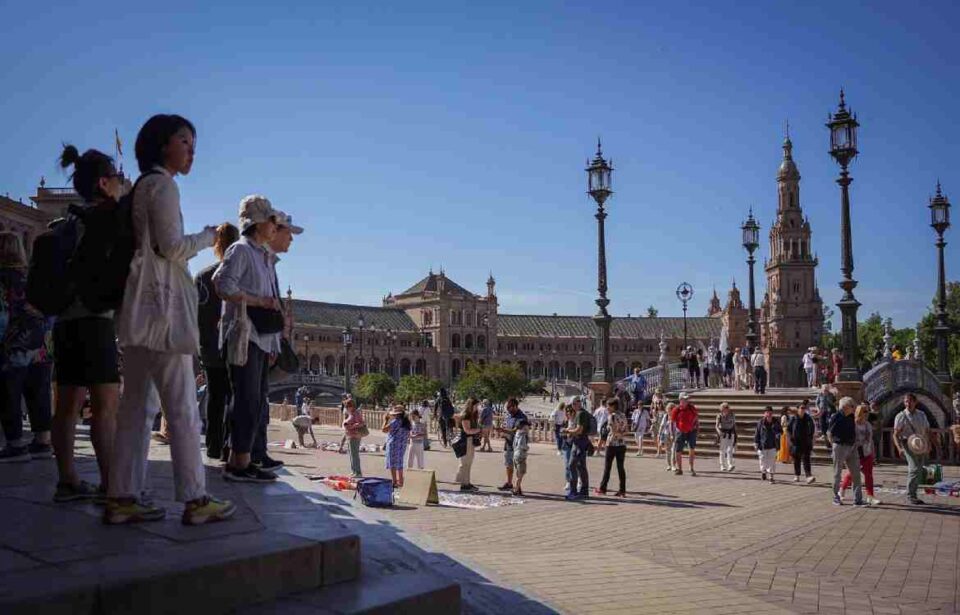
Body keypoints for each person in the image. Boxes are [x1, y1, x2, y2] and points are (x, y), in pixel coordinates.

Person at [108, 114, 235, 525]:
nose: (191, 151)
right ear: (163, 145)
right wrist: (207, 236)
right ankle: (196, 500)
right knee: (181, 407)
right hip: (162, 312)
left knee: (136, 408)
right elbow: (171, 247)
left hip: (139, 312)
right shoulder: (163, 185)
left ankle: (122, 496)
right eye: (185, 142)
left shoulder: (142, 187)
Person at [44, 146, 125, 499]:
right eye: (118, 179)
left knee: (66, 406)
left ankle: (67, 480)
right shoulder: (108, 220)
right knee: (106, 408)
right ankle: (112, 486)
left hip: (63, 324)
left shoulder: (64, 224)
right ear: (104, 182)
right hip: (96, 322)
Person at [213, 195, 282, 481]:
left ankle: (243, 459)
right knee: (245, 400)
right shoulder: (241, 250)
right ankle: (238, 464)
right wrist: (256, 301)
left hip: (260, 337)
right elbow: (221, 283)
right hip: (243, 336)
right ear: (257, 223)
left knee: (254, 402)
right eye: (272, 220)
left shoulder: (262, 254)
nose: (275, 226)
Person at [0, 232, 53, 464]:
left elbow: (2, 316)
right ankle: (43, 441)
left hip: (13, 344)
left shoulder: (2, 278)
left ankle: (16, 444)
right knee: (39, 392)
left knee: (9, 393)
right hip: (40, 344)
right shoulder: (32, 276)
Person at [194, 222, 239, 461]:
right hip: (234, 346)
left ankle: (212, 445)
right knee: (234, 397)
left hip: (209, 347)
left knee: (215, 397)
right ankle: (229, 447)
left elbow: (196, 317)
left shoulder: (201, 277)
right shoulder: (240, 277)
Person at [893, 393, 930, 505]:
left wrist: (928, 444)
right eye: (906, 402)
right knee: (914, 468)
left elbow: (927, 430)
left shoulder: (922, 414)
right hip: (907, 443)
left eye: (910, 401)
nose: (908, 404)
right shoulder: (901, 416)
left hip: (919, 443)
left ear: (915, 402)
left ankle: (913, 493)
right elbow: (895, 434)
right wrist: (899, 448)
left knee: (918, 469)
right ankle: (911, 495)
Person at [840, 404, 880, 505]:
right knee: (852, 474)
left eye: (867, 412)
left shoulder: (868, 425)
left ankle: (870, 496)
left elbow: (870, 440)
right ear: (859, 412)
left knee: (869, 475)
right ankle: (842, 489)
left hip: (866, 452)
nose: (867, 414)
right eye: (865, 411)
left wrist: (873, 453)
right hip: (855, 452)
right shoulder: (853, 424)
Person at [829, 396, 864, 506]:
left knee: (856, 473)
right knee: (837, 473)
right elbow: (830, 433)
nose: (854, 408)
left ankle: (858, 499)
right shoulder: (836, 416)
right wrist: (833, 446)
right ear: (845, 407)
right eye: (852, 406)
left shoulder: (851, 416)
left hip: (852, 447)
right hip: (839, 446)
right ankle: (836, 496)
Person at [596, 398, 628, 497]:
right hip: (622, 444)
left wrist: (616, 435)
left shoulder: (612, 416)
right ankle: (622, 490)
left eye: (608, 406)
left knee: (607, 467)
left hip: (612, 444)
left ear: (613, 406)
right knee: (621, 468)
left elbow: (613, 431)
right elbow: (627, 430)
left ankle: (602, 488)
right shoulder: (623, 415)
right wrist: (621, 435)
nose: (607, 408)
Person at [497, 398, 528, 492]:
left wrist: (503, 430)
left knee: (518, 465)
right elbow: (508, 428)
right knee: (508, 464)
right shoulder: (509, 416)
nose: (508, 410)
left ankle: (518, 486)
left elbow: (516, 431)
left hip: (518, 445)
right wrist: (504, 433)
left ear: (515, 406)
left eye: (509, 408)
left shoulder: (521, 417)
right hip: (508, 443)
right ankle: (509, 483)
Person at [454, 398, 482, 492]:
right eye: (476, 405)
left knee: (468, 463)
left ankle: (467, 483)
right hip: (466, 441)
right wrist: (479, 430)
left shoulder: (472, 415)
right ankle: (464, 484)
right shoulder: (466, 416)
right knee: (465, 463)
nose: (477, 407)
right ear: (471, 405)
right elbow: (467, 430)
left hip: (469, 441)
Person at [787, 400, 816, 484]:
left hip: (806, 442)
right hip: (796, 443)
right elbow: (788, 430)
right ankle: (797, 474)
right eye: (802, 408)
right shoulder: (794, 419)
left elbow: (812, 429)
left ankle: (808, 476)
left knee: (806, 459)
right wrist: (790, 441)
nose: (803, 410)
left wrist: (811, 440)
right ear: (798, 409)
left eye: (804, 408)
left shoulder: (808, 418)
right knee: (797, 460)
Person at [382, 406, 411, 488]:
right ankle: (401, 481)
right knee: (399, 462)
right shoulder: (407, 423)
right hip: (402, 444)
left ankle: (394, 481)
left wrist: (385, 420)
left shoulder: (395, 422)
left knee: (392, 463)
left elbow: (384, 429)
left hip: (393, 444)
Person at [672, 393, 699, 476]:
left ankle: (691, 468)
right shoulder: (676, 409)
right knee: (678, 451)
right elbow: (672, 421)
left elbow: (696, 417)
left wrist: (694, 425)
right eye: (684, 399)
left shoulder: (691, 408)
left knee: (692, 449)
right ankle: (680, 469)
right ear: (680, 400)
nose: (686, 401)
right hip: (680, 431)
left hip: (691, 431)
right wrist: (673, 433)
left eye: (687, 399)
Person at [754, 407, 781, 482]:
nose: (769, 414)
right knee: (762, 460)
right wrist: (756, 442)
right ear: (764, 414)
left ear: (772, 413)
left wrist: (778, 434)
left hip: (772, 444)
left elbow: (780, 431)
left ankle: (771, 476)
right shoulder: (761, 422)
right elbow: (757, 433)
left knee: (772, 461)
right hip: (763, 444)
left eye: (770, 412)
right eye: (767, 412)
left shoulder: (776, 422)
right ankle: (763, 472)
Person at [342, 398, 365, 478]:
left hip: (355, 436)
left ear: (351, 406)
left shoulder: (356, 413)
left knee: (355, 454)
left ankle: (358, 472)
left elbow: (361, 423)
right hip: (350, 435)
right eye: (345, 406)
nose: (346, 408)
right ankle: (354, 471)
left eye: (347, 406)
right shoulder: (351, 413)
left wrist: (351, 426)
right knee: (351, 454)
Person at [510, 410, 531, 496]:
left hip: (515, 454)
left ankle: (518, 488)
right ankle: (516, 489)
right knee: (521, 474)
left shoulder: (517, 434)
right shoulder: (523, 435)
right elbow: (522, 445)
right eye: (527, 427)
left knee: (518, 472)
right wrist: (527, 448)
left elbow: (514, 445)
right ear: (523, 427)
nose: (528, 428)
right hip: (521, 455)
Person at [715, 402, 737, 472]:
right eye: (724, 408)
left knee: (730, 450)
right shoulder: (719, 416)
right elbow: (716, 426)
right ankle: (722, 465)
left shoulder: (732, 415)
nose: (726, 410)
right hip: (723, 433)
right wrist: (719, 432)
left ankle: (730, 464)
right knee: (722, 450)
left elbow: (734, 424)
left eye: (727, 408)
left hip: (731, 433)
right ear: (721, 409)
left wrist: (736, 435)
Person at [659, 402, 677, 471]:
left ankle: (673, 465)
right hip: (666, 434)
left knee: (674, 450)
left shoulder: (676, 416)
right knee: (668, 450)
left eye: (670, 409)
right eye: (668, 409)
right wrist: (659, 434)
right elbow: (662, 425)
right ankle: (669, 465)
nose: (668, 411)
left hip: (674, 434)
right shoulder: (665, 416)